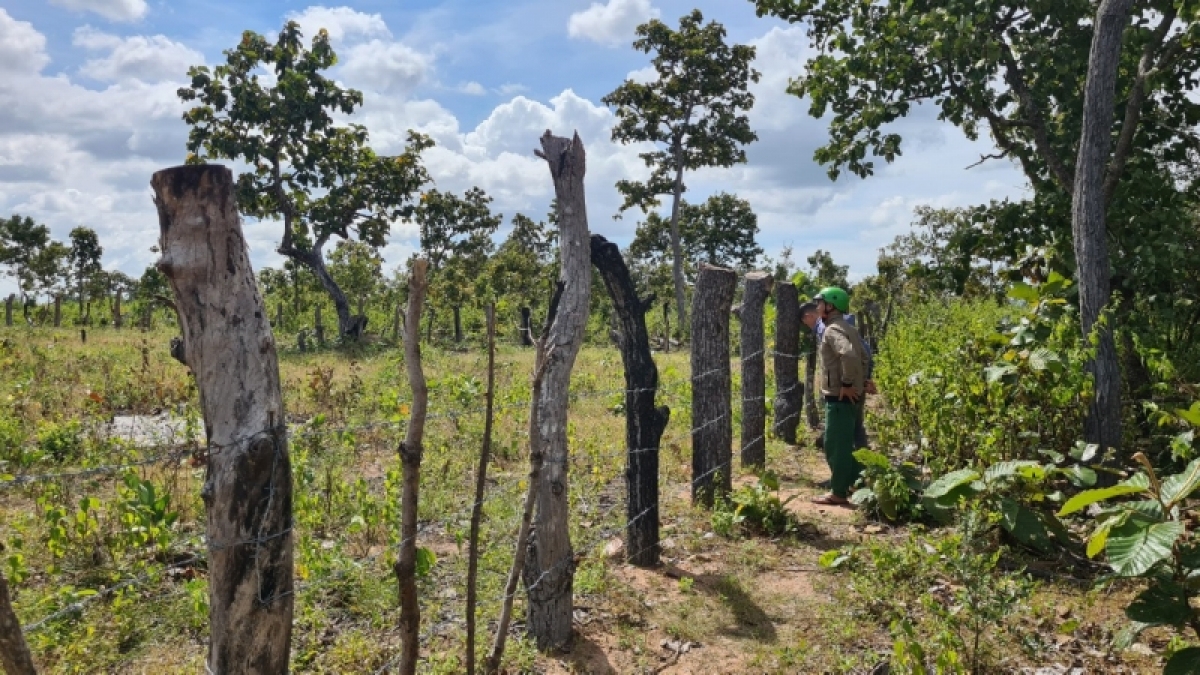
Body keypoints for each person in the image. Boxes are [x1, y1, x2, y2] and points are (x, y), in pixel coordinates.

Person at [810, 286, 869, 506]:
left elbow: (850, 355)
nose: (817, 308)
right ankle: (858, 482)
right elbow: (864, 356)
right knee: (843, 442)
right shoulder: (847, 327)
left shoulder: (832, 330)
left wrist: (846, 383)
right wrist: (862, 381)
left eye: (820, 303)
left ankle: (838, 492)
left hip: (839, 397)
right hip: (850, 395)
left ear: (830, 305)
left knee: (836, 445)